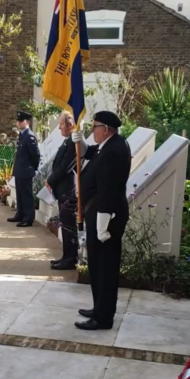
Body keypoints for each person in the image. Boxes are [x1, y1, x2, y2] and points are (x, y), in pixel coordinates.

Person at [72, 111, 131, 330]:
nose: (92, 131)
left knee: (105, 268)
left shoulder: (114, 150)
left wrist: (103, 223)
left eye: (94, 127)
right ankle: (99, 308)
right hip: (99, 214)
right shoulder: (109, 145)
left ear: (105, 129)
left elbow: (108, 188)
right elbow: (92, 154)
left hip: (106, 217)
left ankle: (103, 317)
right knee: (97, 266)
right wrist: (80, 143)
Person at [46, 111, 87, 271]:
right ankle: (66, 256)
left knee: (69, 225)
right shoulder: (68, 141)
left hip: (69, 190)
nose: (59, 127)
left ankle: (71, 259)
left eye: (61, 124)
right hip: (62, 189)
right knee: (65, 224)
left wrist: (50, 180)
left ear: (71, 126)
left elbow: (65, 167)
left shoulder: (73, 143)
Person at [7, 111, 40, 228]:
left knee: (27, 195)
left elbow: (35, 155)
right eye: (18, 121)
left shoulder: (29, 136)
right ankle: (20, 214)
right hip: (20, 170)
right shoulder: (22, 135)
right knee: (20, 194)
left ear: (27, 122)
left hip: (26, 170)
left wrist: (33, 168)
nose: (18, 123)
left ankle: (28, 218)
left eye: (21, 121)